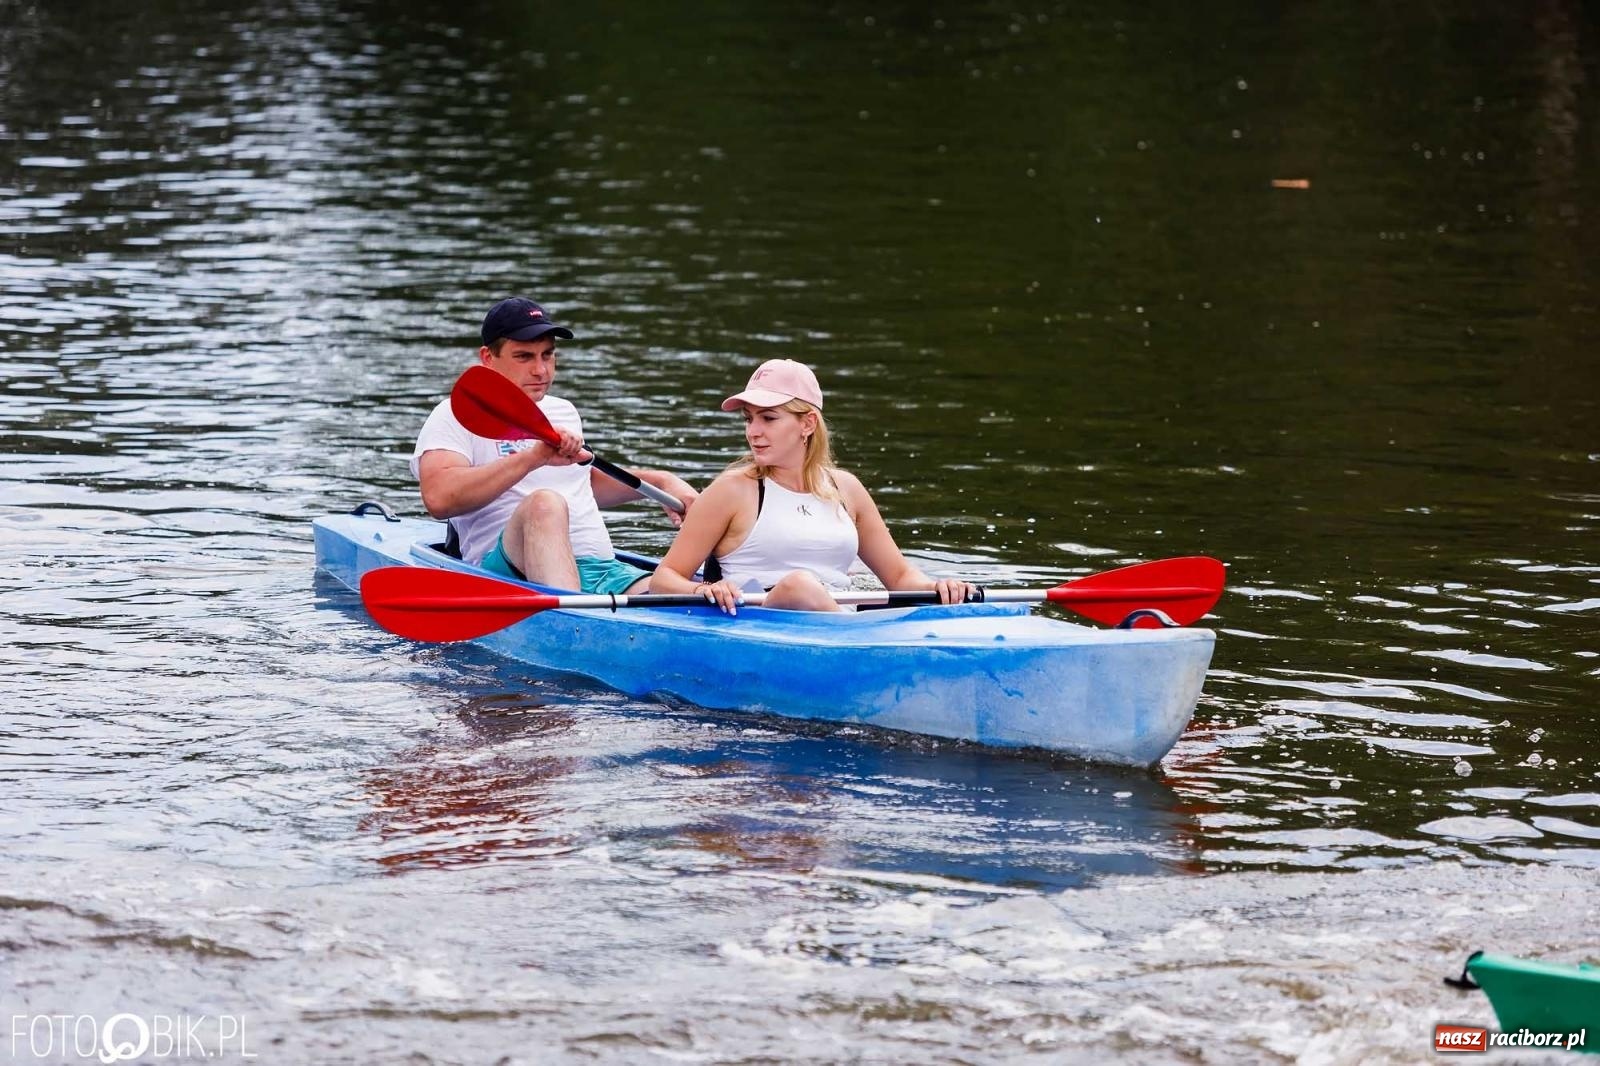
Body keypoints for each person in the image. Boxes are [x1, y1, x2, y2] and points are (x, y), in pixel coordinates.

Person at [412, 297, 697, 594]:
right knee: (544, 503)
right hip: (506, 572)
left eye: (547, 355)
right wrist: (534, 457)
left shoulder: (564, 411)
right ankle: (574, 620)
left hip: (600, 569)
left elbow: (583, 484)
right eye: (524, 357)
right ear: (487, 358)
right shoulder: (455, 414)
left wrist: (664, 482)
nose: (541, 370)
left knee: (686, 596)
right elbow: (439, 498)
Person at [649, 358, 975, 613]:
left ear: (807, 423)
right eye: (749, 419)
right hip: (760, 621)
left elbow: (901, 578)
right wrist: (702, 589)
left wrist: (940, 587)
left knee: (813, 588)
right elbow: (665, 579)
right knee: (799, 586)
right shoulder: (732, 490)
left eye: (769, 418)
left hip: (840, 620)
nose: (753, 431)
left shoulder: (846, 488)